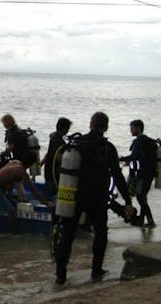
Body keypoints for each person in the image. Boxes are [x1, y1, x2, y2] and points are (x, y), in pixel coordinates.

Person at [53, 112, 132, 285]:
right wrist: (127, 201)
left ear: (90, 124)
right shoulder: (107, 147)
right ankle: (96, 270)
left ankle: (60, 275)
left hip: (74, 196)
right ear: (106, 127)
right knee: (101, 233)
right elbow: (117, 176)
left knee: (67, 234)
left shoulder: (76, 144)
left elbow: (60, 170)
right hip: (97, 197)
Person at [0, 151, 52, 232]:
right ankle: (10, 234)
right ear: (31, 164)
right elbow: (34, 191)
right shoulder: (22, 172)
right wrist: (46, 203)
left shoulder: (15, 162)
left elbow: (8, 181)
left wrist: (9, 197)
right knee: (11, 211)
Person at [120, 119, 156, 228]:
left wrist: (121, 159)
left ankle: (150, 221)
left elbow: (134, 156)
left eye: (132, 128)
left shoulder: (140, 141)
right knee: (142, 197)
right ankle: (142, 220)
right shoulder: (146, 140)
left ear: (138, 128)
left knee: (140, 197)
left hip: (144, 175)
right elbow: (140, 157)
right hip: (149, 173)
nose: (130, 131)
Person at [40, 117, 71, 197]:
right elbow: (59, 158)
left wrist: (41, 163)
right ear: (65, 129)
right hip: (54, 173)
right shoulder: (59, 142)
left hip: (48, 170)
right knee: (52, 192)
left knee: (49, 189)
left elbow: (49, 153)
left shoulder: (53, 137)